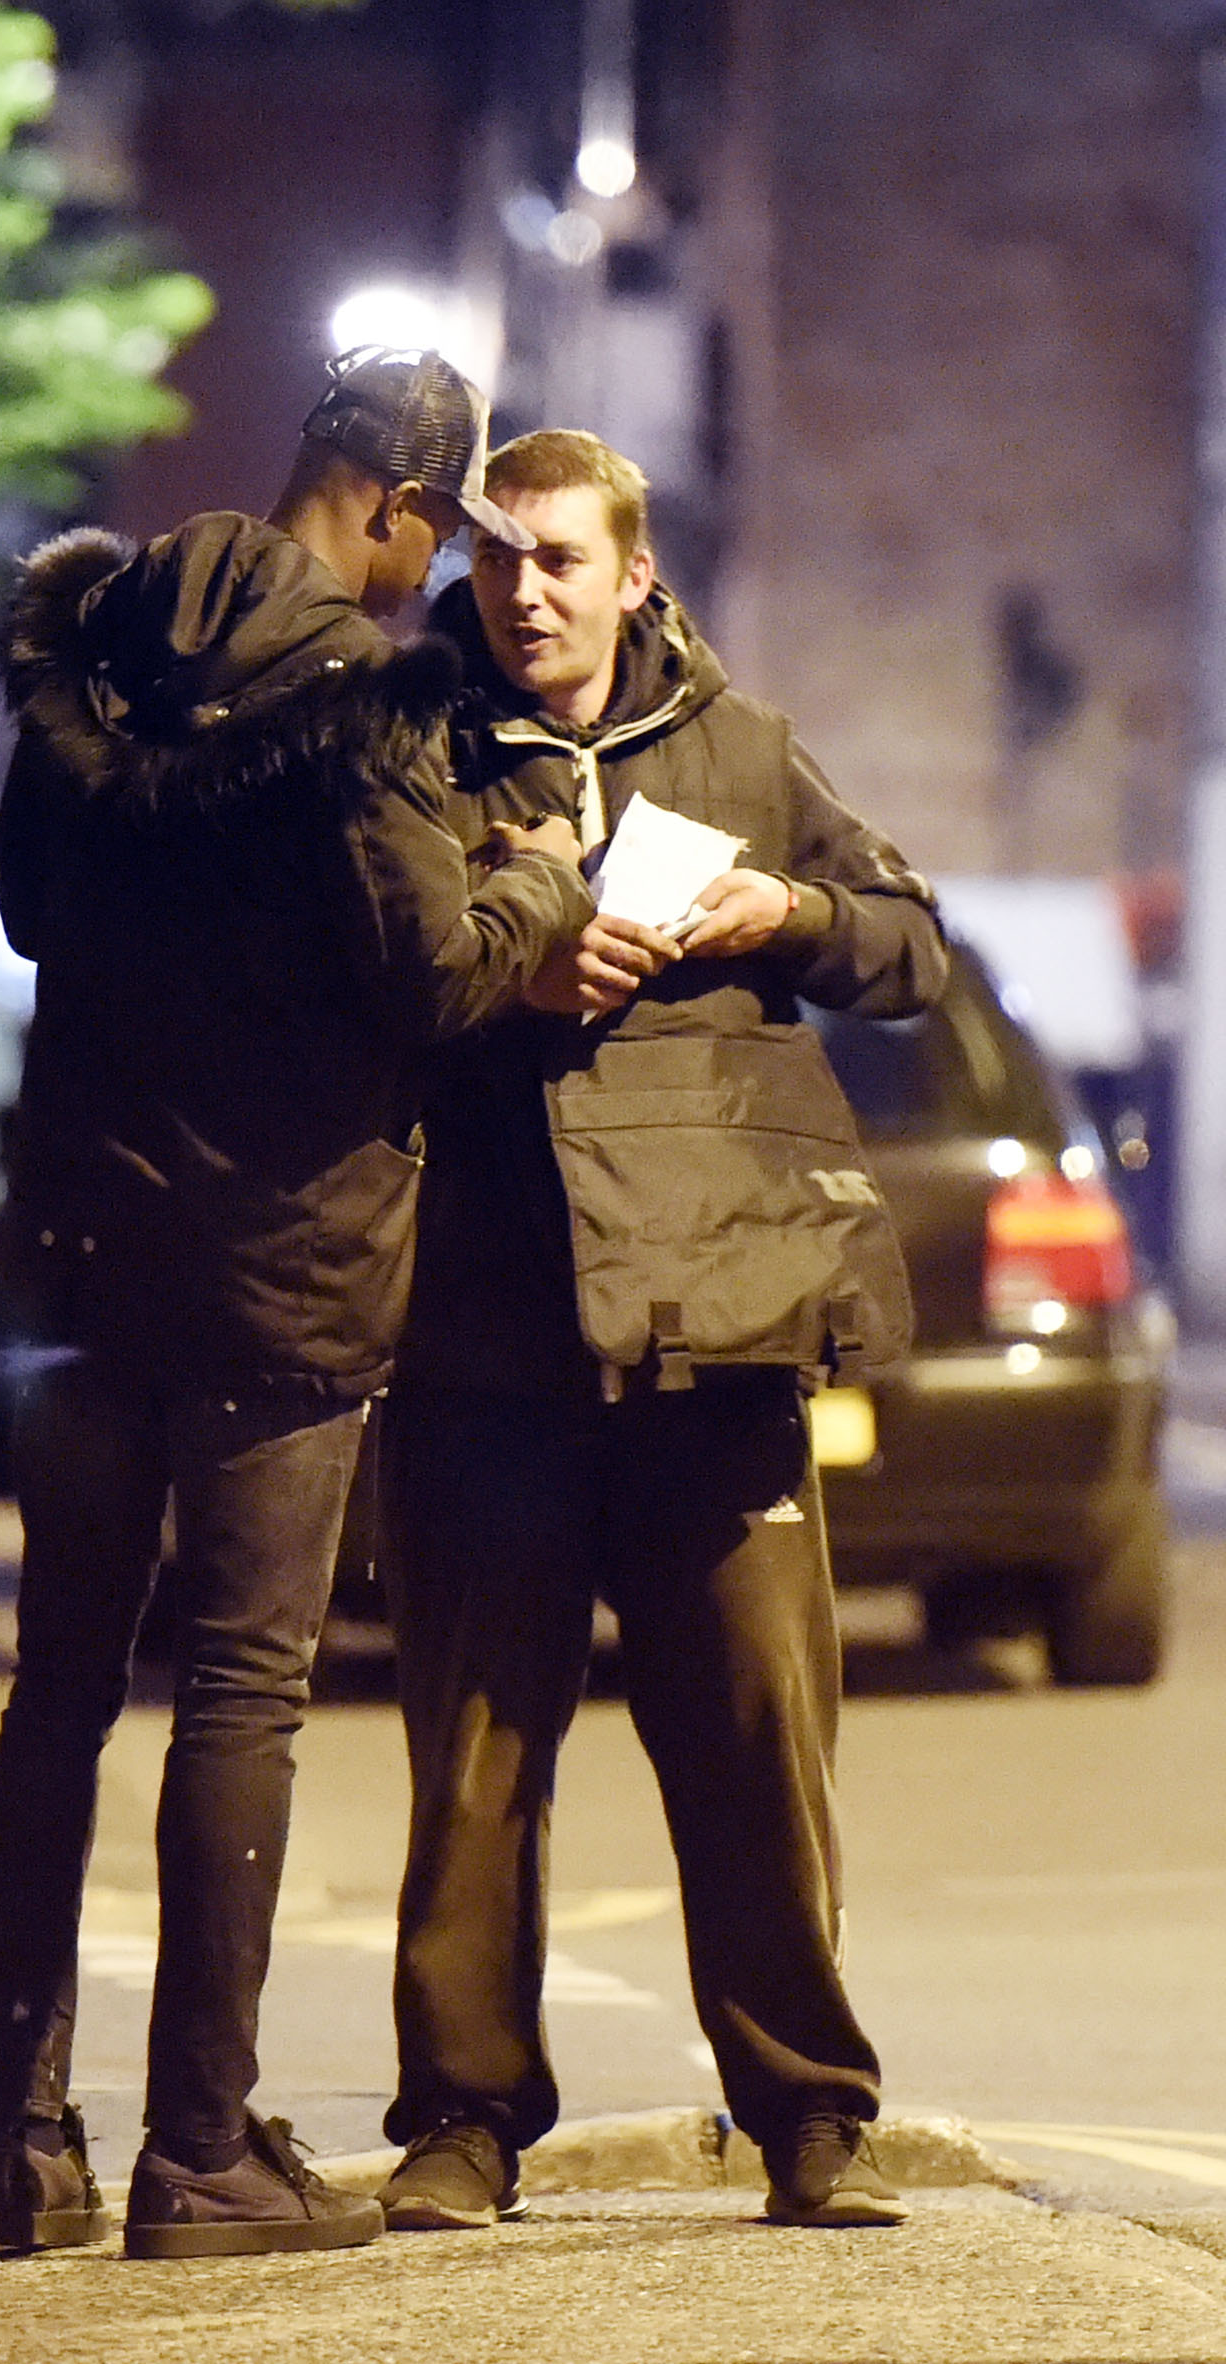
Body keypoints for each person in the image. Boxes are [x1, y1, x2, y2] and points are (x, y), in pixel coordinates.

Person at [0, 349, 596, 2262]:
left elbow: (26, 903)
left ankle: (19, 2134)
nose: (440, 574)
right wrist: (542, 878)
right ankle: (199, 2149)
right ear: (396, 509)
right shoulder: (365, 700)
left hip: (83, 1248)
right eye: (442, 530)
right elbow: (426, 974)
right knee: (240, 1686)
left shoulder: (107, 647)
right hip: (285, 1265)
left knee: (56, 1690)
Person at [372, 429, 947, 2239]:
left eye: (560, 559)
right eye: (498, 560)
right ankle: (463, 2119)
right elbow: (350, 984)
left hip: (719, 1326)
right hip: (487, 1326)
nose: (524, 591)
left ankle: (810, 2117)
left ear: (636, 573)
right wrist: (509, 967)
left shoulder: (746, 751)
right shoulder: (405, 745)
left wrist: (793, 908)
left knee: (757, 1728)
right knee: (474, 1747)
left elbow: (914, 946)